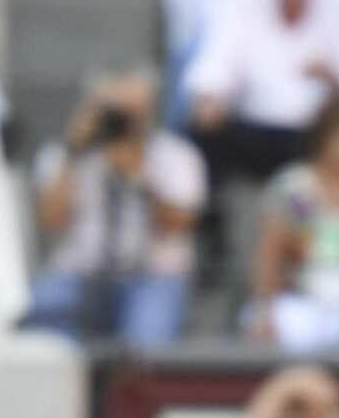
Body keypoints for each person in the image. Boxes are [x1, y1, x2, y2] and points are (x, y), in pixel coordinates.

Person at [26, 68, 209, 345]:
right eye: (114, 112)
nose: (122, 122)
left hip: (153, 276)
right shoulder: (64, 154)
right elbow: (50, 220)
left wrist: (140, 175)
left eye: (132, 112)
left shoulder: (176, 156)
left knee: (147, 347)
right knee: (44, 322)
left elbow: (179, 225)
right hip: (79, 271)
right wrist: (73, 153)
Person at [184, 0, 339, 185]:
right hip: (254, 129)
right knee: (202, 129)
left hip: (314, 132)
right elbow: (214, 69)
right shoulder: (241, 4)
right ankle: (211, 220)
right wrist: (212, 98)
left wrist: (330, 76)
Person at [247, 98, 339, 351]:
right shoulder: (292, 187)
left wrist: (314, 242)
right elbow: (270, 253)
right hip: (300, 299)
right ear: (323, 139)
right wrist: (265, 310)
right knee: (284, 330)